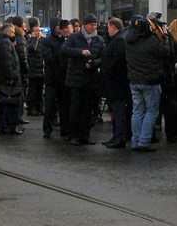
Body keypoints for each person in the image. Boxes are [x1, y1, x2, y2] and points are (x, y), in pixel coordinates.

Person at [125, 14, 168, 152]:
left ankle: (135, 141)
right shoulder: (152, 41)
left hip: (134, 79)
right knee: (151, 112)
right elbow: (166, 52)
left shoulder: (129, 40)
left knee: (137, 112)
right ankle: (144, 142)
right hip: (150, 80)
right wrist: (164, 37)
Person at [62, 13, 105, 146]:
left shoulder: (99, 40)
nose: (94, 27)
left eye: (95, 25)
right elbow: (64, 50)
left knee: (87, 109)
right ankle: (73, 134)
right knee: (75, 108)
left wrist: (94, 63)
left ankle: (85, 135)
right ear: (85, 25)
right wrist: (80, 52)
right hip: (75, 79)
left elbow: (103, 57)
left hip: (90, 79)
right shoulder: (74, 37)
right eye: (92, 25)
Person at [98, 17, 131, 148]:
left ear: (112, 27)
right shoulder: (119, 39)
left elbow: (117, 60)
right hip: (116, 82)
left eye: (108, 28)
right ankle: (116, 136)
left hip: (116, 83)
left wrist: (107, 72)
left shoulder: (119, 40)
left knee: (118, 112)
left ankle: (119, 137)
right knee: (116, 111)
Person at [0, 23, 23, 135]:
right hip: (6, 79)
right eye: (12, 32)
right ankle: (11, 127)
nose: (13, 34)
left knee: (1, 104)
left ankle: (2, 127)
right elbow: (7, 61)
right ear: (6, 32)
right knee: (11, 104)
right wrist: (10, 77)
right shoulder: (5, 42)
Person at [40, 18, 72, 139]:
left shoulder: (66, 40)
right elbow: (49, 58)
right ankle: (47, 129)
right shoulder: (47, 41)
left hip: (64, 78)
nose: (61, 28)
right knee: (49, 105)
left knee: (64, 105)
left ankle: (65, 128)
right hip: (52, 78)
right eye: (58, 26)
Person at [24, 17, 46, 116]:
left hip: (41, 69)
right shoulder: (30, 40)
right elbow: (32, 49)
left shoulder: (43, 40)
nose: (38, 33)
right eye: (36, 31)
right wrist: (34, 39)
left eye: (39, 31)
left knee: (40, 90)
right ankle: (31, 108)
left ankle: (40, 107)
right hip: (33, 69)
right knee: (32, 90)